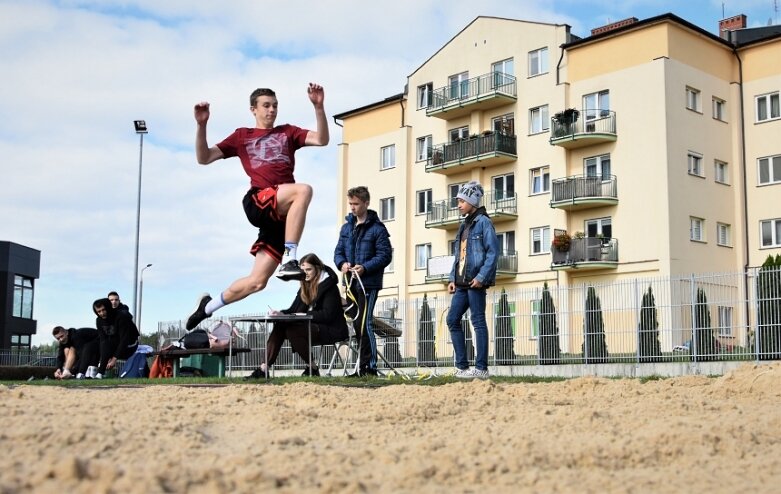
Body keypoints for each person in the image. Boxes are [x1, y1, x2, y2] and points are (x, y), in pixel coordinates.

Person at [185, 83, 330, 331]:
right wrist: (201, 126)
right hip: (259, 200)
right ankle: (291, 258)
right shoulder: (242, 136)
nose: (272, 110)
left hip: (280, 214)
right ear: (253, 109)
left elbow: (322, 139)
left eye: (275, 106)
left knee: (257, 282)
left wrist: (319, 107)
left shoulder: (288, 132)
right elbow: (204, 158)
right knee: (303, 190)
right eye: (266, 106)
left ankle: (207, 307)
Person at [246, 253, 348, 379]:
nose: (305, 273)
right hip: (312, 327)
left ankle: (312, 368)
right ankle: (263, 369)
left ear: (318, 268)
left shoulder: (329, 287)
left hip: (332, 329)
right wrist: (281, 313)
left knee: (292, 330)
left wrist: (305, 315)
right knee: (280, 325)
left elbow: (328, 315)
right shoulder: (305, 286)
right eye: (303, 270)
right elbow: (294, 310)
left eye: (309, 269)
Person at [333, 186, 392, 377]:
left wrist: (364, 267)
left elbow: (385, 256)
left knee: (364, 323)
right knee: (356, 325)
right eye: (350, 203)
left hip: (368, 283)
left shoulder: (378, 229)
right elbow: (338, 252)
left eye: (356, 204)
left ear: (366, 203)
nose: (352, 207)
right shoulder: (346, 228)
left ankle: (370, 366)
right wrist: (341, 264)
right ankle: (360, 366)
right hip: (350, 284)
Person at [445, 181, 499, 379]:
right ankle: (462, 367)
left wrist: (481, 277)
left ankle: (481, 368)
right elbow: (459, 255)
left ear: (472, 201)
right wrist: (452, 277)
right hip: (461, 283)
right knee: (452, 320)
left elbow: (493, 253)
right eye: (458, 200)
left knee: (477, 322)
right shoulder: (464, 224)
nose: (458, 204)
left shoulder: (484, 222)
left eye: (461, 200)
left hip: (475, 282)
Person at [93, 298, 140, 378]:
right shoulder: (99, 321)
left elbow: (124, 340)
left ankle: (101, 371)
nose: (102, 313)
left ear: (108, 307)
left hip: (130, 345)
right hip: (114, 345)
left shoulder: (121, 316)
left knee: (109, 342)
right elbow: (103, 340)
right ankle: (88, 373)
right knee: (94, 345)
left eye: (103, 310)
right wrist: (105, 357)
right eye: (99, 311)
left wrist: (114, 359)